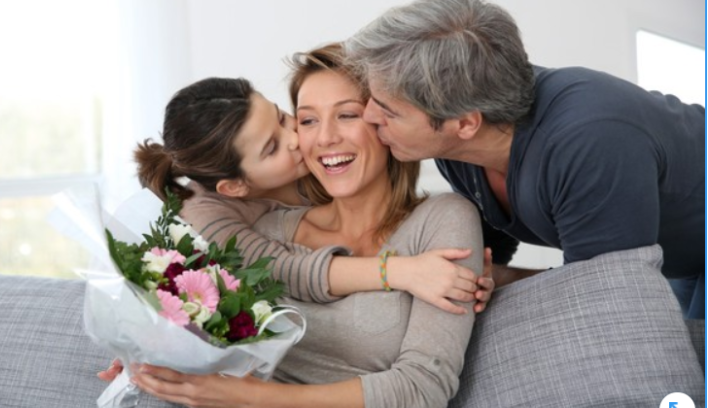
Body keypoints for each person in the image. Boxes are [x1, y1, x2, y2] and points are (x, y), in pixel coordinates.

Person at [125, 43, 483, 408]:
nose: (318, 138)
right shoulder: (252, 235)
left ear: (384, 120)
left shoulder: (443, 220)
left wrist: (249, 399)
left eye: (347, 115)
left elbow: (417, 399)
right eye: (308, 120)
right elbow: (194, 297)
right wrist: (142, 352)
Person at [344, 0, 705, 319]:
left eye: (388, 110)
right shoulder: (456, 139)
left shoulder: (586, 143)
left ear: (465, 123)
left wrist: (504, 279)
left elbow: (604, 295)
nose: (369, 116)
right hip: (682, 256)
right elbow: (490, 242)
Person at [132, 76, 493, 314]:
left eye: (282, 118)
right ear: (236, 187)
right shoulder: (204, 221)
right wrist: (399, 272)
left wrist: (471, 276)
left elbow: (407, 241)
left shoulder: (321, 164)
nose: (296, 139)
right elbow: (282, 271)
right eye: (272, 146)